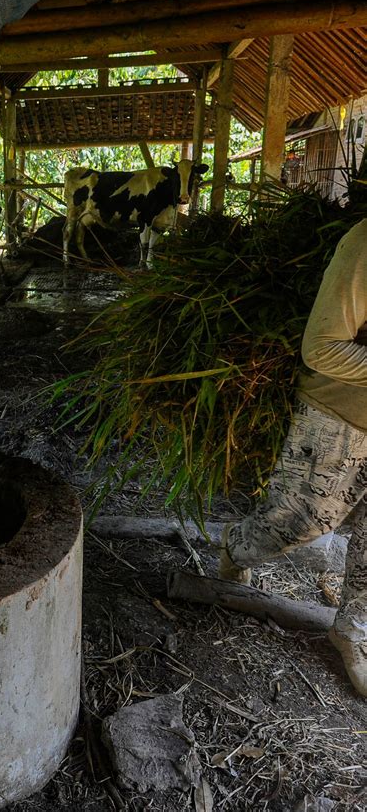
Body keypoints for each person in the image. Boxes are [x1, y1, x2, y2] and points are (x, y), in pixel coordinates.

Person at [219, 218, 367, 697]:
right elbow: (321, 348)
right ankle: (236, 547)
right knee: (299, 520)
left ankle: (354, 631)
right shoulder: (366, 242)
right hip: (340, 414)